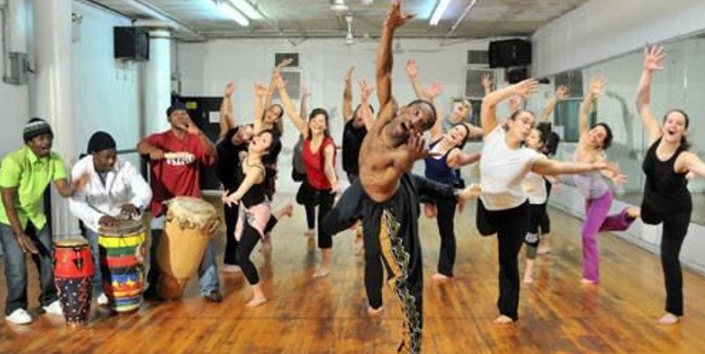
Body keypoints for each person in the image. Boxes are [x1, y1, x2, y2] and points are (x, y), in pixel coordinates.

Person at [323, 2, 476, 352]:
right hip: (361, 188)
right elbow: (383, 69)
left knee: (407, 274)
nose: (417, 120)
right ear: (406, 107)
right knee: (329, 226)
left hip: (387, 203)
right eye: (418, 112)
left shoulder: (403, 150)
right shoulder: (388, 110)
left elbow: (397, 173)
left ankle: (412, 343)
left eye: (423, 123)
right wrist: (388, 29)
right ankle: (453, 194)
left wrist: (408, 160)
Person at [476, 78, 623, 324]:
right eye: (524, 121)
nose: (527, 126)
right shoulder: (492, 136)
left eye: (531, 124)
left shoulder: (528, 155)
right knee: (483, 230)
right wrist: (514, 89)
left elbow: (559, 166)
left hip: (515, 212)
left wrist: (596, 165)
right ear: (510, 122)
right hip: (488, 206)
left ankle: (507, 311)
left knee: (507, 260)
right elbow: (488, 102)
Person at [636, 45, 705, 325]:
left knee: (668, 256)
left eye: (680, 122)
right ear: (664, 124)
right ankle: (635, 213)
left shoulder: (685, 156)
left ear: (683, 130)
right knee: (644, 216)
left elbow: (702, 169)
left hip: (676, 209)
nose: (673, 124)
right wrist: (647, 71)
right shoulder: (654, 136)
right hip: (651, 203)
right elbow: (641, 103)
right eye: (671, 120)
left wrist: (694, 172)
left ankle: (673, 310)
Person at [0, 118, 87, 324]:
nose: (46, 142)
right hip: (9, 217)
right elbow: (7, 200)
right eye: (41, 138)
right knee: (16, 265)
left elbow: (64, 191)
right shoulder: (13, 162)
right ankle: (15, 307)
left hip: (35, 217)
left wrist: (77, 185)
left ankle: (49, 300)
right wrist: (19, 234)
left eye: (49, 137)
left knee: (48, 259)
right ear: (29, 141)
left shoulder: (53, 159)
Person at [137, 102, 223, 302]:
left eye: (184, 113)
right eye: (176, 114)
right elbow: (140, 146)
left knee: (204, 246)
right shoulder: (160, 139)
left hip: (190, 203)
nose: (181, 116)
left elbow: (212, 153)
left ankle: (210, 287)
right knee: (158, 245)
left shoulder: (194, 140)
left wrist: (199, 132)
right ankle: (154, 286)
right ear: (169, 119)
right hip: (163, 205)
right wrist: (151, 150)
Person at [404, 61, 482, 281]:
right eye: (455, 130)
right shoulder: (438, 133)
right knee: (411, 204)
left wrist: (483, 155)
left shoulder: (455, 154)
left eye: (459, 135)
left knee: (445, 229)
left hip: (446, 190)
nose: (455, 133)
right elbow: (427, 106)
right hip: (428, 186)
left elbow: (465, 159)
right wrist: (414, 78)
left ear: (460, 142)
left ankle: (445, 269)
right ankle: (407, 250)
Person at [69, 131, 152, 305]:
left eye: (114, 156)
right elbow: (75, 203)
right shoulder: (81, 169)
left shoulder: (125, 166)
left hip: (123, 220)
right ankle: (101, 290)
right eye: (107, 157)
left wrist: (135, 204)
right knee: (100, 255)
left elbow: (145, 190)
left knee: (131, 256)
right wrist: (99, 217)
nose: (111, 161)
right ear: (94, 155)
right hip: (96, 222)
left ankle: (131, 287)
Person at [573, 77, 639, 286]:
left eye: (599, 136)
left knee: (588, 234)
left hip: (601, 198)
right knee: (596, 228)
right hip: (589, 198)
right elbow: (583, 112)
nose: (594, 135)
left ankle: (591, 276)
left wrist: (614, 176)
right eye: (595, 131)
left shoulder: (598, 155)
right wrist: (591, 94)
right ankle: (624, 217)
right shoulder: (583, 138)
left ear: (602, 143)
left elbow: (604, 169)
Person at [275, 75, 339, 278]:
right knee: (301, 199)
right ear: (310, 122)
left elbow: (329, 167)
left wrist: (335, 183)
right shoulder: (306, 133)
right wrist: (281, 89)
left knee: (324, 225)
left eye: (322, 121)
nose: (318, 123)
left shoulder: (327, 144)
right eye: (315, 120)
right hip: (311, 184)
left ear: (326, 124)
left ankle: (326, 265)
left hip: (327, 187)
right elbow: (292, 112)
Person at [223, 130, 282, 308]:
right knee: (239, 239)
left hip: (258, 212)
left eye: (264, 140)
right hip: (246, 208)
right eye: (259, 136)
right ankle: (283, 212)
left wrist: (230, 196)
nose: (257, 138)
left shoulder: (257, 170)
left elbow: (242, 190)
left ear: (266, 151)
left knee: (241, 256)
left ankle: (259, 295)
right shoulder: (246, 159)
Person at [520, 123, 558, 284]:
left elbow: (549, 173)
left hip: (536, 202)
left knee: (531, 234)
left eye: (534, 137)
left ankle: (528, 272)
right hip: (520, 201)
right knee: (518, 233)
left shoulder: (541, 158)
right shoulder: (519, 153)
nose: (529, 138)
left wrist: (554, 181)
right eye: (529, 136)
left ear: (541, 144)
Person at [536, 85, 569, 254]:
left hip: (542, 179)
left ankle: (546, 242)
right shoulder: (538, 134)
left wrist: (553, 180)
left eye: (548, 146)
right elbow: (545, 113)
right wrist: (555, 98)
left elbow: (548, 171)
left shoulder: (545, 157)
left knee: (540, 210)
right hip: (528, 180)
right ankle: (531, 238)